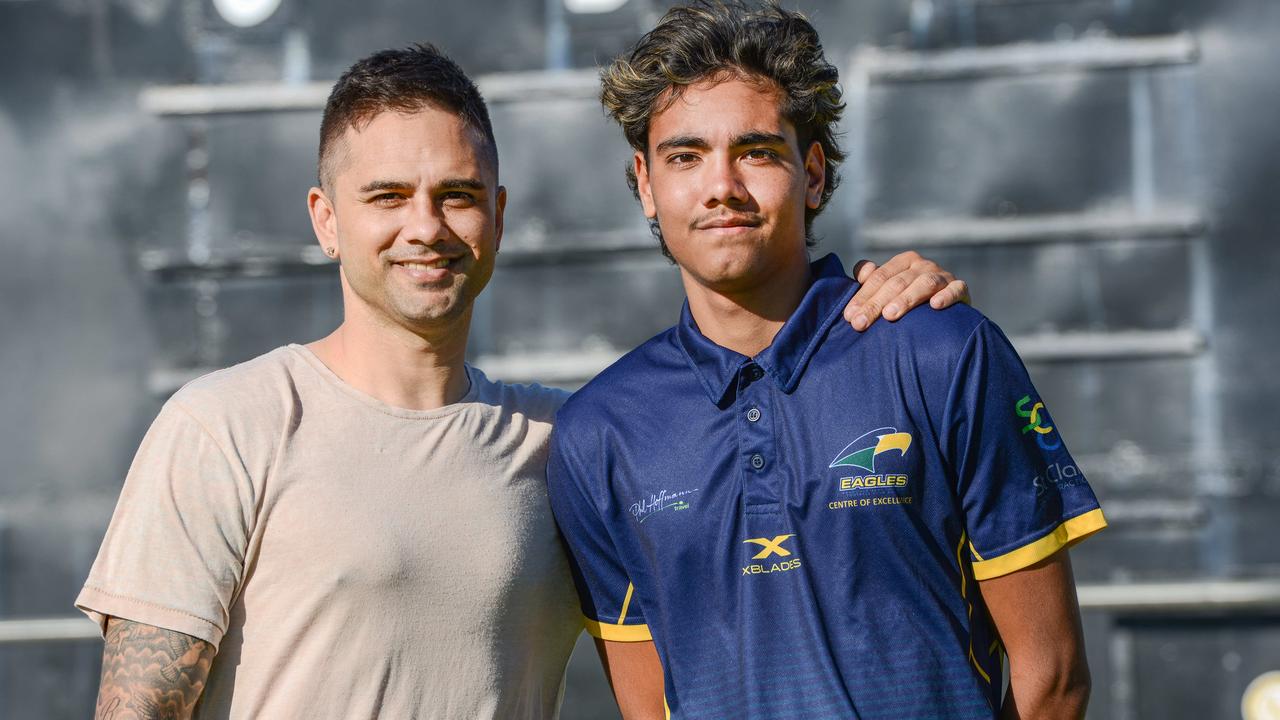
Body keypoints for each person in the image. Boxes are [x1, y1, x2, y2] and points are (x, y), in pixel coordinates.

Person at [76, 42, 968, 719]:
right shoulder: (228, 425)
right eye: (386, 197)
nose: (426, 227)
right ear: (326, 221)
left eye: (457, 194)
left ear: (497, 215)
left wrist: (880, 304)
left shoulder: (568, 445)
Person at [545, 3, 1107, 719]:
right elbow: (650, 706)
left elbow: (1052, 678)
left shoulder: (943, 352)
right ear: (647, 185)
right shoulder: (597, 431)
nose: (721, 186)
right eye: (685, 156)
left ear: (811, 173)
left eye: (755, 151)